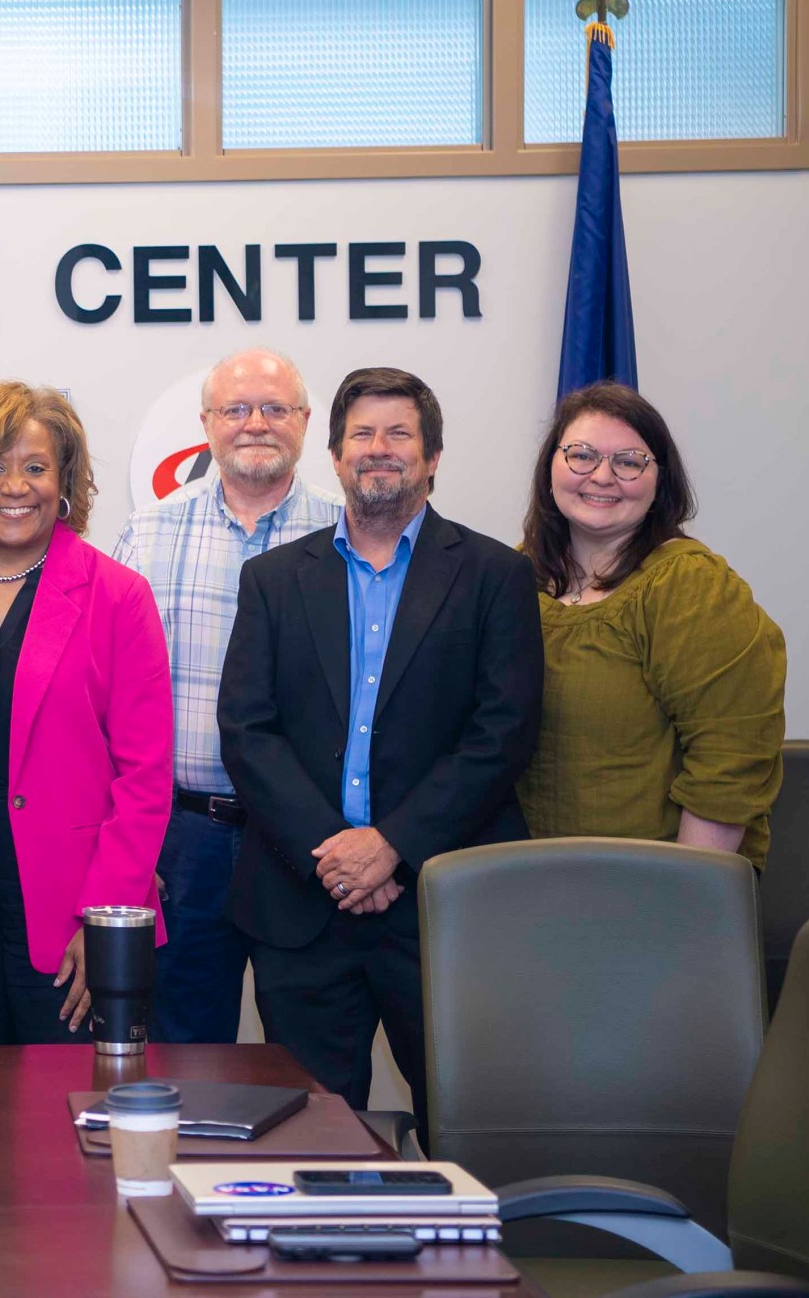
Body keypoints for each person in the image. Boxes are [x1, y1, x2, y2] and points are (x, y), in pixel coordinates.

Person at [218, 367, 541, 1135]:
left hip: (437, 903)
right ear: (333, 454)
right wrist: (335, 854)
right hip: (304, 904)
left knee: (469, 1127)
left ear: (432, 457)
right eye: (361, 433)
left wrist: (391, 847)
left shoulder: (496, 575)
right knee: (307, 1136)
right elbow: (247, 729)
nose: (379, 449)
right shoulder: (273, 579)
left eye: (400, 433)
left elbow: (503, 734)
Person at [0, 382, 173, 1044]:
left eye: (34, 467)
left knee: (67, 1116)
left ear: (65, 481)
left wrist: (105, 918)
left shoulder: (118, 595)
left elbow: (144, 778)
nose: (14, 487)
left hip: (71, 903)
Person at [112, 349, 342, 1044]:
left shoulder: (347, 537)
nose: (255, 424)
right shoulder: (147, 534)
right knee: (185, 1048)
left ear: (305, 422)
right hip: (186, 838)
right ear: (206, 424)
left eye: (275, 408)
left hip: (307, 840)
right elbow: (111, 701)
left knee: (313, 1054)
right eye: (236, 410)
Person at [517, 381, 784, 865]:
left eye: (629, 461)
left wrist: (681, 898)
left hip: (649, 894)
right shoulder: (512, 577)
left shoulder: (690, 587)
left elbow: (731, 762)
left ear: (660, 480)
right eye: (581, 455)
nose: (601, 476)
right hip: (519, 882)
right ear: (550, 467)